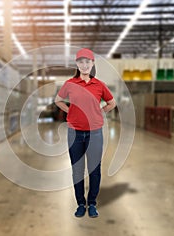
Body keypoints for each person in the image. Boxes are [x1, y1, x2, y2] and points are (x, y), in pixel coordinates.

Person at [55, 48, 116, 218]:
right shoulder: (70, 84)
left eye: (87, 62)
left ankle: (92, 204)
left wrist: (100, 112)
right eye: (81, 62)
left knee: (94, 170)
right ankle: (81, 203)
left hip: (95, 132)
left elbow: (111, 102)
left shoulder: (99, 85)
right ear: (77, 64)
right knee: (77, 170)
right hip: (75, 132)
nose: (84, 65)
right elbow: (58, 101)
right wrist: (70, 111)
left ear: (92, 64)